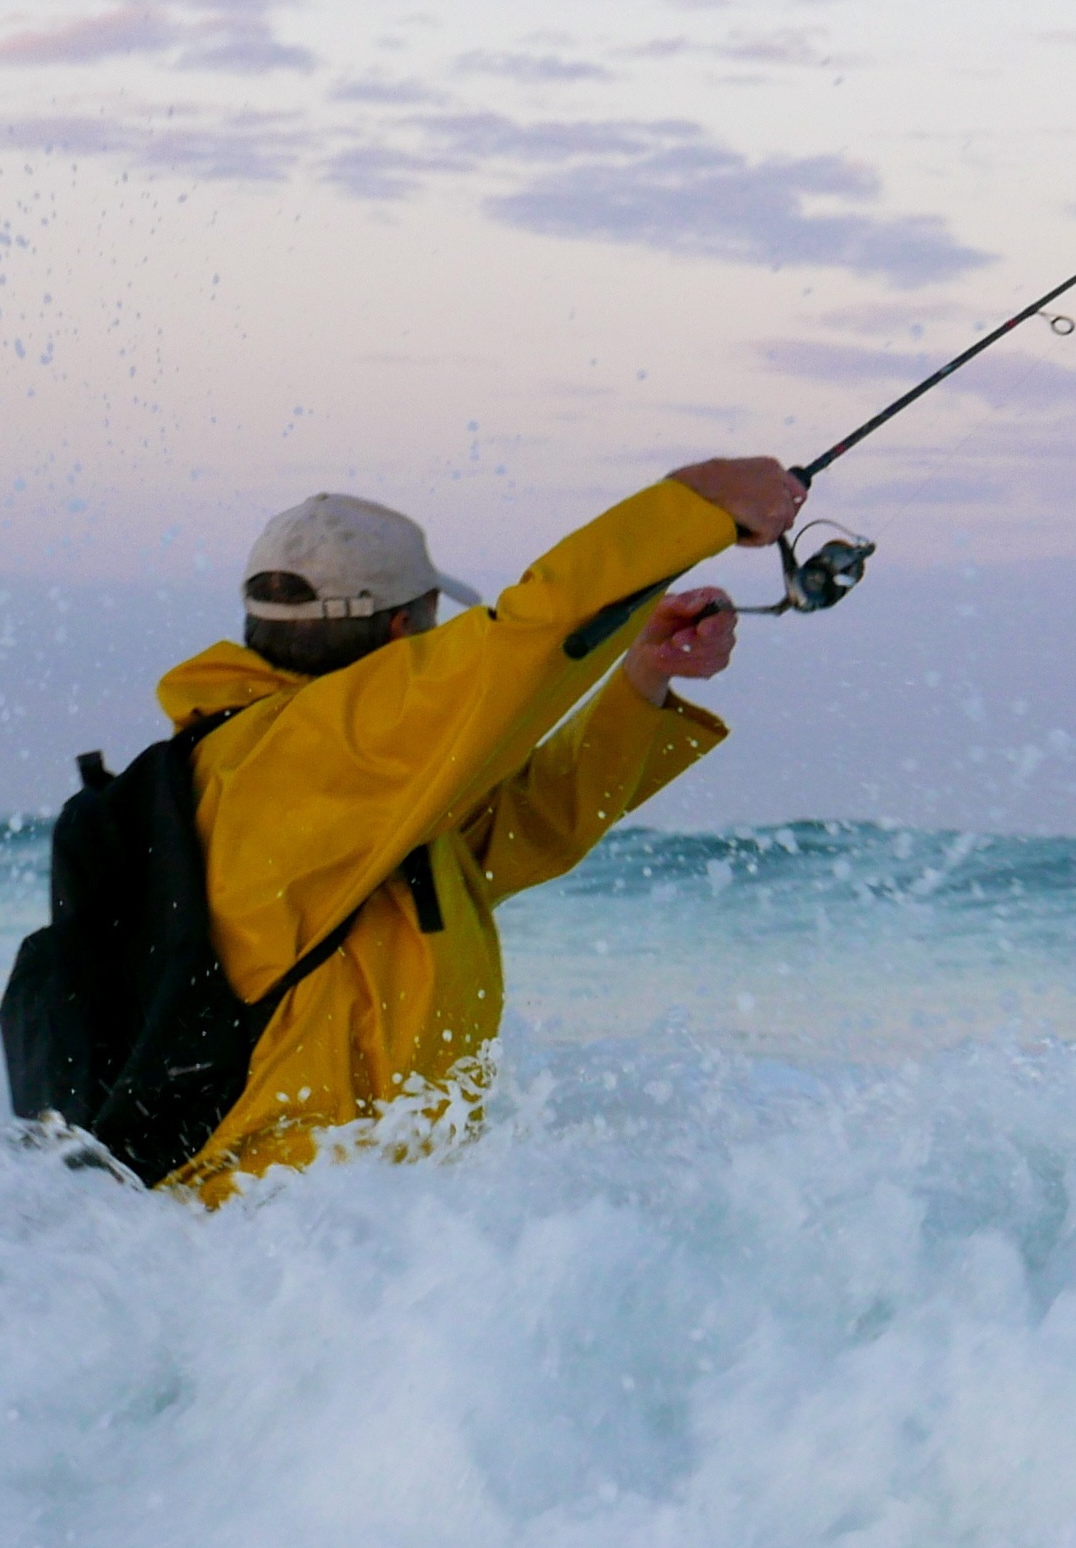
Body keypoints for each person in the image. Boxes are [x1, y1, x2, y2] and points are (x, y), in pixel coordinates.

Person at [139, 456, 805, 1201]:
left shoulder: (336, 791)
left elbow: (526, 829)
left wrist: (641, 678)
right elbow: (524, 640)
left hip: (346, 1231)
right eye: (433, 627)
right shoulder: (305, 756)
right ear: (402, 629)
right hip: (279, 1223)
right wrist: (695, 505)